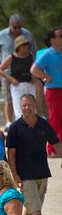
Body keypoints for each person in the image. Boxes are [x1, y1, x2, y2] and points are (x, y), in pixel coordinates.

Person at [6, 94, 62, 215]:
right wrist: (14, 173)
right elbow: (11, 153)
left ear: (35, 105)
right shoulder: (15, 128)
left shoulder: (43, 124)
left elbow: (56, 143)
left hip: (42, 173)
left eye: (29, 105)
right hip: (25, 175)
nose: (26, 108)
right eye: (24, 105)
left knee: (31, 207)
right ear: (20, 106)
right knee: (35, 208)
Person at [0, 14, 37, 125]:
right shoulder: (1, 35)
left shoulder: (27, 34)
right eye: (15, 27)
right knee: (9, 99)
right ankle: (9, 122)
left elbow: (34, 51)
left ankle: (31, 119)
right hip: (7, 72)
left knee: (28, 98)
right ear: (10, 25)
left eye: (19, 27)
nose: (17, 30)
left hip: (25, 72)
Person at [31, 26, 62, 156]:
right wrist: (46, 76)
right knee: (55, 118)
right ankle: (51, 148)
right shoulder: (47, 54)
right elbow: (34, 69)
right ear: (52, 39)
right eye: (59, 36)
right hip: (53, 90)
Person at [0, 35, 36, 120]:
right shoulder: (12, 57)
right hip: (17, 85)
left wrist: (34, 78)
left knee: (32, 105)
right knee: (19, 107)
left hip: (29, 83)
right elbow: (0, 70)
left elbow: (33, 68)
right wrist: (11, 79)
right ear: (18, 47)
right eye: (23, 45)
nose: (26, 47)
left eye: (27, 45)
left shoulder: (30, 56)